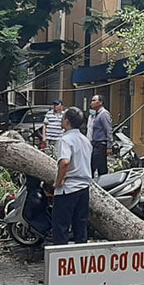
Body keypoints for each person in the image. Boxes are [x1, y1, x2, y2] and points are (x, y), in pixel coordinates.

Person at [51, 107, 92, 245]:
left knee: (61, 227)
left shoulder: (65, 140)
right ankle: (80, 260)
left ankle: (60, 261)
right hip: (84, 188)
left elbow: (65, 162)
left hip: (68, 188)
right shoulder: (85, 140)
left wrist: (58, 181)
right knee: (80, 227)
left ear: (67, 122)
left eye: (63, 118)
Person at [87, 94, 112, 177]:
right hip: (94, 144)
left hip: (101, 145)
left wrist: (109, 146)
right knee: (92, 166)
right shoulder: (95, 115)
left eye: (94, 100)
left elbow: (108, 130)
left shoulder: (104, 114)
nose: (92, 102)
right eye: (92, 101)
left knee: (100, 167)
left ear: (100, 102)